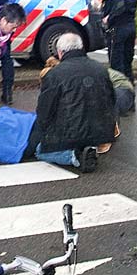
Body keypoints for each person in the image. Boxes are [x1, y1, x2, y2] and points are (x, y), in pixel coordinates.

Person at [35, 33, 116, 173]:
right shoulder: (100, 69)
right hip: (101, 131)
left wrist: (44, 132)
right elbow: (112, 99)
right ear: (81, 47)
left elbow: (44, 111)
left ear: (60, 52)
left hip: (71, 133)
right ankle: (89, 148)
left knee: (40, 151)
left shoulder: (54, 74)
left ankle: (74, 156)